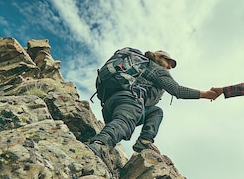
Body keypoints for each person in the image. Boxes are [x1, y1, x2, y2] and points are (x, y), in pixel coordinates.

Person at [88, 49, 219, 162]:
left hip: (109, 103)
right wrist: (206, 94)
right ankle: (98, 145)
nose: (169, 67)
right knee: (124, 122)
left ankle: (144, 141)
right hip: (129, 100)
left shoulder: (138, 66)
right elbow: (177, 90)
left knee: (156, 112)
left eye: (171, 66)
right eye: (168, 62)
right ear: (158, 57)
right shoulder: (155, 69)